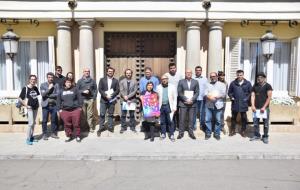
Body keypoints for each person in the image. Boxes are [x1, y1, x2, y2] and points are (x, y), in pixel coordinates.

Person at [228, 70, 252, 137]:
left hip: (244, 103)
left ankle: (243, 131)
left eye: (241, 75)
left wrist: (247, 98)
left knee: (244, 118)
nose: (239, 76)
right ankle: (232, 131)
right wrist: (231, 97)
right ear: (236, 75)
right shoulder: (233, 83)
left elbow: (251, 92)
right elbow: (229, 92)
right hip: (235, 103)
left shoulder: (248, 83)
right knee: (233, 117)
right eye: (238, 75)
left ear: (243, 75)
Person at [250, 72, 273, 144]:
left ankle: (265, 136)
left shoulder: (268, 86)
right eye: (258, 77)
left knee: (265, 124)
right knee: (256, 123)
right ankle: (257, 135)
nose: (259, 78)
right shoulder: (255, 86)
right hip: (256, 108)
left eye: (261, 77)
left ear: (264, 78)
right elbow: (252, 96)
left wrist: (264, 107)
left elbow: (269, 97)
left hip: (264, 109)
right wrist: (253, 105)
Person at [57, 78, 82, 142]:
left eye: (70, 82)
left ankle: (78, 136)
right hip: (65, 110)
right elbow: (58, 101)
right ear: (65, 83)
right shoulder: (61, 91)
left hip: (75, 109)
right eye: (67, 82)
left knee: (76, 123)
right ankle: (69, 136)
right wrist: (59, 109)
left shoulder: (75, 89)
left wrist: (80, 107)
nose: (69, 83)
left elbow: (80, 98)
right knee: (67, 124)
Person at [177, 69, 199, 140]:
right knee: (182, 119)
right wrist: (186, 99)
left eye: (190, 72)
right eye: (187, 72)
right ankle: (181, 132)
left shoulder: (195, 82)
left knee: (191, 119)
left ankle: (191, 132)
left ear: (192, 73)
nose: (188, 74)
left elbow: (197, 92)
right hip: (183, 103)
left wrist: (192, 99)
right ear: (185, 73)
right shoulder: (181, 81)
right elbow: (179, 92)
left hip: (192, 103)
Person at [97, 67, 120, 136]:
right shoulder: (102, 80)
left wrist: (112, 95)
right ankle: (101, 127)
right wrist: (105, 95)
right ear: (107, 72)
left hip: (112, 100)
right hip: (103, 100)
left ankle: (110, 127)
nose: (110, 72)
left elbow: (117, 90)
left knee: (110, 114)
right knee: (102, 114)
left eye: (112, 71)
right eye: (109, 71)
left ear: (113, 72)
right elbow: (100, 89)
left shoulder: (116, 81)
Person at [18, 75, 40, 145]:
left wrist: (38, 104)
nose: (33, 81)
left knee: (33, 123)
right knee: (30, 123)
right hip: (29, 108)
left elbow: (37, 96)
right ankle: (28, 139)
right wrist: (26, 105)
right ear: (29, 80)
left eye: (34, 79)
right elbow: (20, 98)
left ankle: (31, 137)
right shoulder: (25, 88)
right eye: (32, 79)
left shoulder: (35, 88)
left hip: (35, 107)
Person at [204, 72, 227, 140]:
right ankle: (208, 133)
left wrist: (217, 97)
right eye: (211, 76)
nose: (212, 77)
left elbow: (224, 94)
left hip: (218, 104)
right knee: (207, 120)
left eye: (214, 76)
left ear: (217, 77)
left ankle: (217, 133)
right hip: (209, 105)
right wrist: (210, 97)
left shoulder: (222, 84)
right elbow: (205, 93)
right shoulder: (207, 84)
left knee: (218, 120)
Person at [157, 73, 177, 141]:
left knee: (170, 121)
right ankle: (163, 134)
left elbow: (175, 98)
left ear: (167, 79)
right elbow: (157, 98)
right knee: (162, 121)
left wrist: (174, 107)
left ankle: (171, 135)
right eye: (163, 79)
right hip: (161, 106)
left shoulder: (172, 86)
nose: (164, 80)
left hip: (169, 106)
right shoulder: (158, 87)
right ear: (161, 80)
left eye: (165, 79)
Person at [40, 72, 60, 140]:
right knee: (44, 120)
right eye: (49, 77)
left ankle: (53, 133)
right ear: (47, 78)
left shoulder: (56, 85)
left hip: (54, 105)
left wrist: (48, 95)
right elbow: (43, 95)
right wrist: (49, 89)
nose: (50, 79)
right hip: (45, 105)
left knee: (54, 120)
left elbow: (57, 94)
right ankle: (44, 134)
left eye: (51, 77)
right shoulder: (43, 85)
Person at [77, 68, 97, 133]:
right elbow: (77, 90)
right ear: (83, 72)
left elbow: (95, 90)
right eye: (85, 71)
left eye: (88, 71)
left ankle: (90, 127)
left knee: (90, 114)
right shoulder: (79, 81)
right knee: (83, 115)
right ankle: (83, 128)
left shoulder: (92, 81)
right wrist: (83, 91)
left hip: (90, 99)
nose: (87, 72)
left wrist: (94, 98)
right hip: (82, 99)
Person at [119, 69, 138, 133]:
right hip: (124, 100)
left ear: (131, 74)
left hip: (132, 100)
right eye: (127, 73)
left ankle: (132, 127)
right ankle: (123, 127)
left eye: (129, 73)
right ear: (125, 74)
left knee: (132, 115)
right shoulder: (121, 81)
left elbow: (135, 91)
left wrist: (128, 96)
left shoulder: (134, 81)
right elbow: (121, 90)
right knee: (123, 115)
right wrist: (124, 96)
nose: (128, 74)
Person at [165, 63, 183, 131]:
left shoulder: (180, 75)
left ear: (176, 68)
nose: (172, 69)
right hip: (169, 97)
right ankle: (170, 125)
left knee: (177, 112)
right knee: (169, 111)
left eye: (174, 68)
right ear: (169, 69)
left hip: (178, 97)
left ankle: (177, 126)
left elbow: (182, 85)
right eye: (171, 68)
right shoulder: (166, 75)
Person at [193, 66, 207, 131]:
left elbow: (207, 88)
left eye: (199, 70)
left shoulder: (205, 79)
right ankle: (194, 126)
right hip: (194, 98)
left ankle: (202, 125)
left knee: (202, 112)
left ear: (201, 71)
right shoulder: (192, 78)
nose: (198, 71)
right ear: (195, 71)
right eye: (197, 70)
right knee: (194, 112)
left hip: (202, 98)